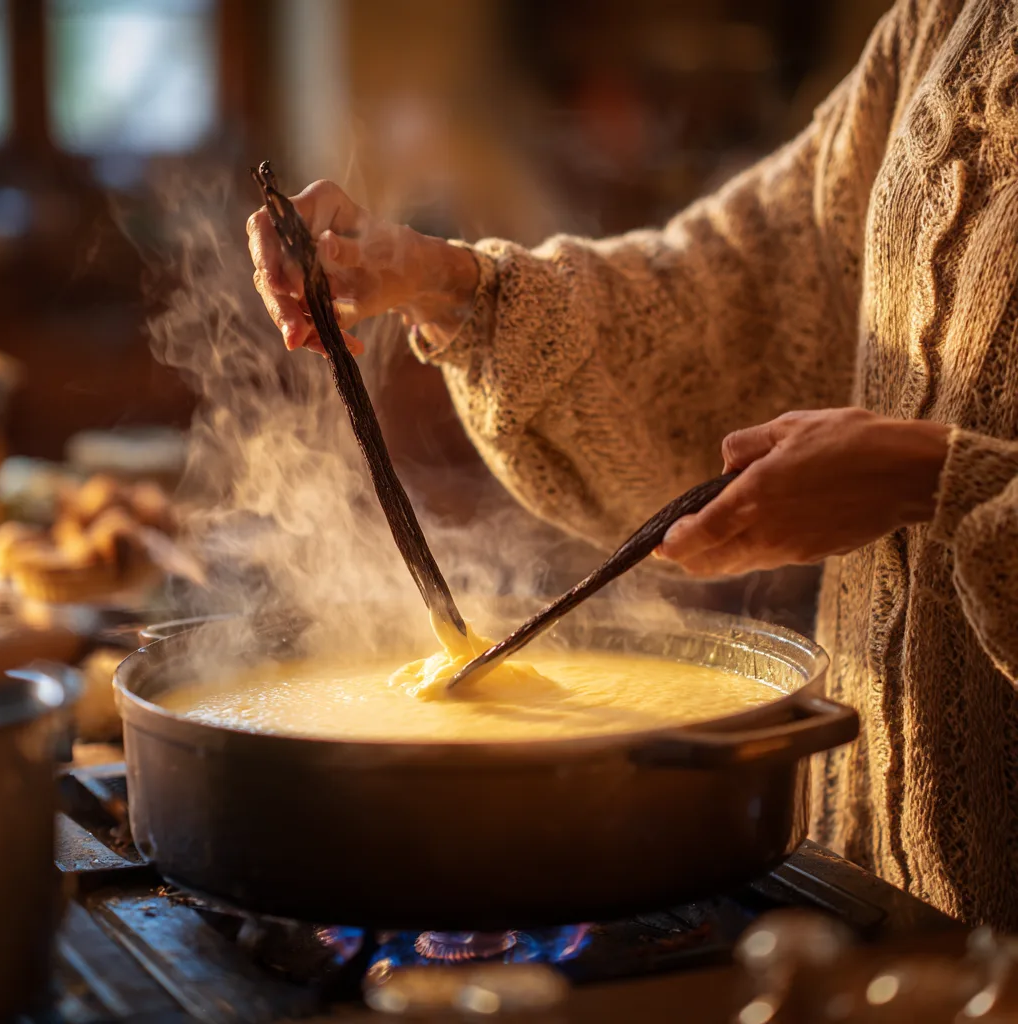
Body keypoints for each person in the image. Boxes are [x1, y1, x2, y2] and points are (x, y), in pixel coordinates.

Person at [248, 0, 1018, 929]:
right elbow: (748, 284)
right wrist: (447, 280)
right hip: (883, 888)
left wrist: (933, 477)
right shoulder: (950, 21)